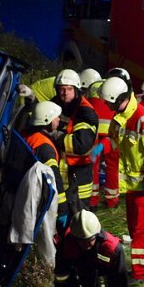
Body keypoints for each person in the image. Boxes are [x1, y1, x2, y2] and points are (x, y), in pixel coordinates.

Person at [97, 74, 144, 282]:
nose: (107, 107)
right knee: (134, 226)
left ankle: (143, 273)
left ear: (119, 100)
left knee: (141, 228)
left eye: (109, 103)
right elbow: (116, 142)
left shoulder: (142, 119)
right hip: (135, 184)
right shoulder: (120, 118)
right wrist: (104, 146)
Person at [53, 69, 99, 212]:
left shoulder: (85, 112)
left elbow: (80, 144)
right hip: (61, 174)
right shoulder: (56, 104)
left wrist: (56, 136)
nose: (65, 93)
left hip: (79, 176)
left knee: (78, 217)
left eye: (69, 89)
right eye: (62, 89)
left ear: (77, 90)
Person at [24, 100, 69, 232]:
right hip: (37, 200)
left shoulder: (27, 134)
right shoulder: (45, 147)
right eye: (56, 117)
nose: (59, 119)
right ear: (47, 120)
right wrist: (62, 209)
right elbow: (54, 179)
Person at [80, 69, 117, 210]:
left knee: (93, 165)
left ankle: (93, 201)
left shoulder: (92, 88)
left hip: (94, 130)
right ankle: (112, 201)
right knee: (112, 165)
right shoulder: (116, 88)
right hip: (112, 131)